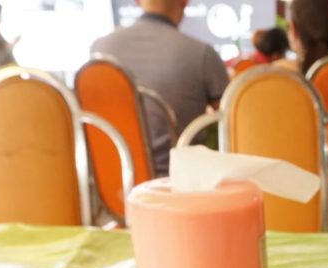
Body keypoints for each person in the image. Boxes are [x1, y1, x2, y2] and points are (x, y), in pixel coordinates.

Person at [92, 0, 229, 175]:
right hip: (180, 185)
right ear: (184, 2)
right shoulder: (202, 53)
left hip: (112, 184)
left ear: (136, 2)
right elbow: (233, 121)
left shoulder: (100, 50)